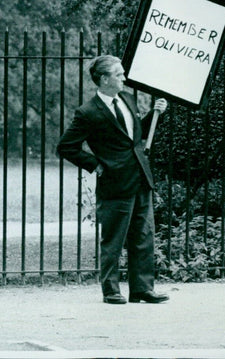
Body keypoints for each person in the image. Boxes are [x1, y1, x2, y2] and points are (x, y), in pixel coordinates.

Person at [57, 55, 169, 305]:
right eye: (119, 74)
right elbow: (66, 147)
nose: (124, 78)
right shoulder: (87, 112)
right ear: (104, 79)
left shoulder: (127, 99)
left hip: (140, 178)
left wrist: (155, 114)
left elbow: (135, 134)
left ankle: (142, 289)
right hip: (114, 183)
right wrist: (95, 165)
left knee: (143, 236)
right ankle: (111, 291)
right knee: (114, 239)